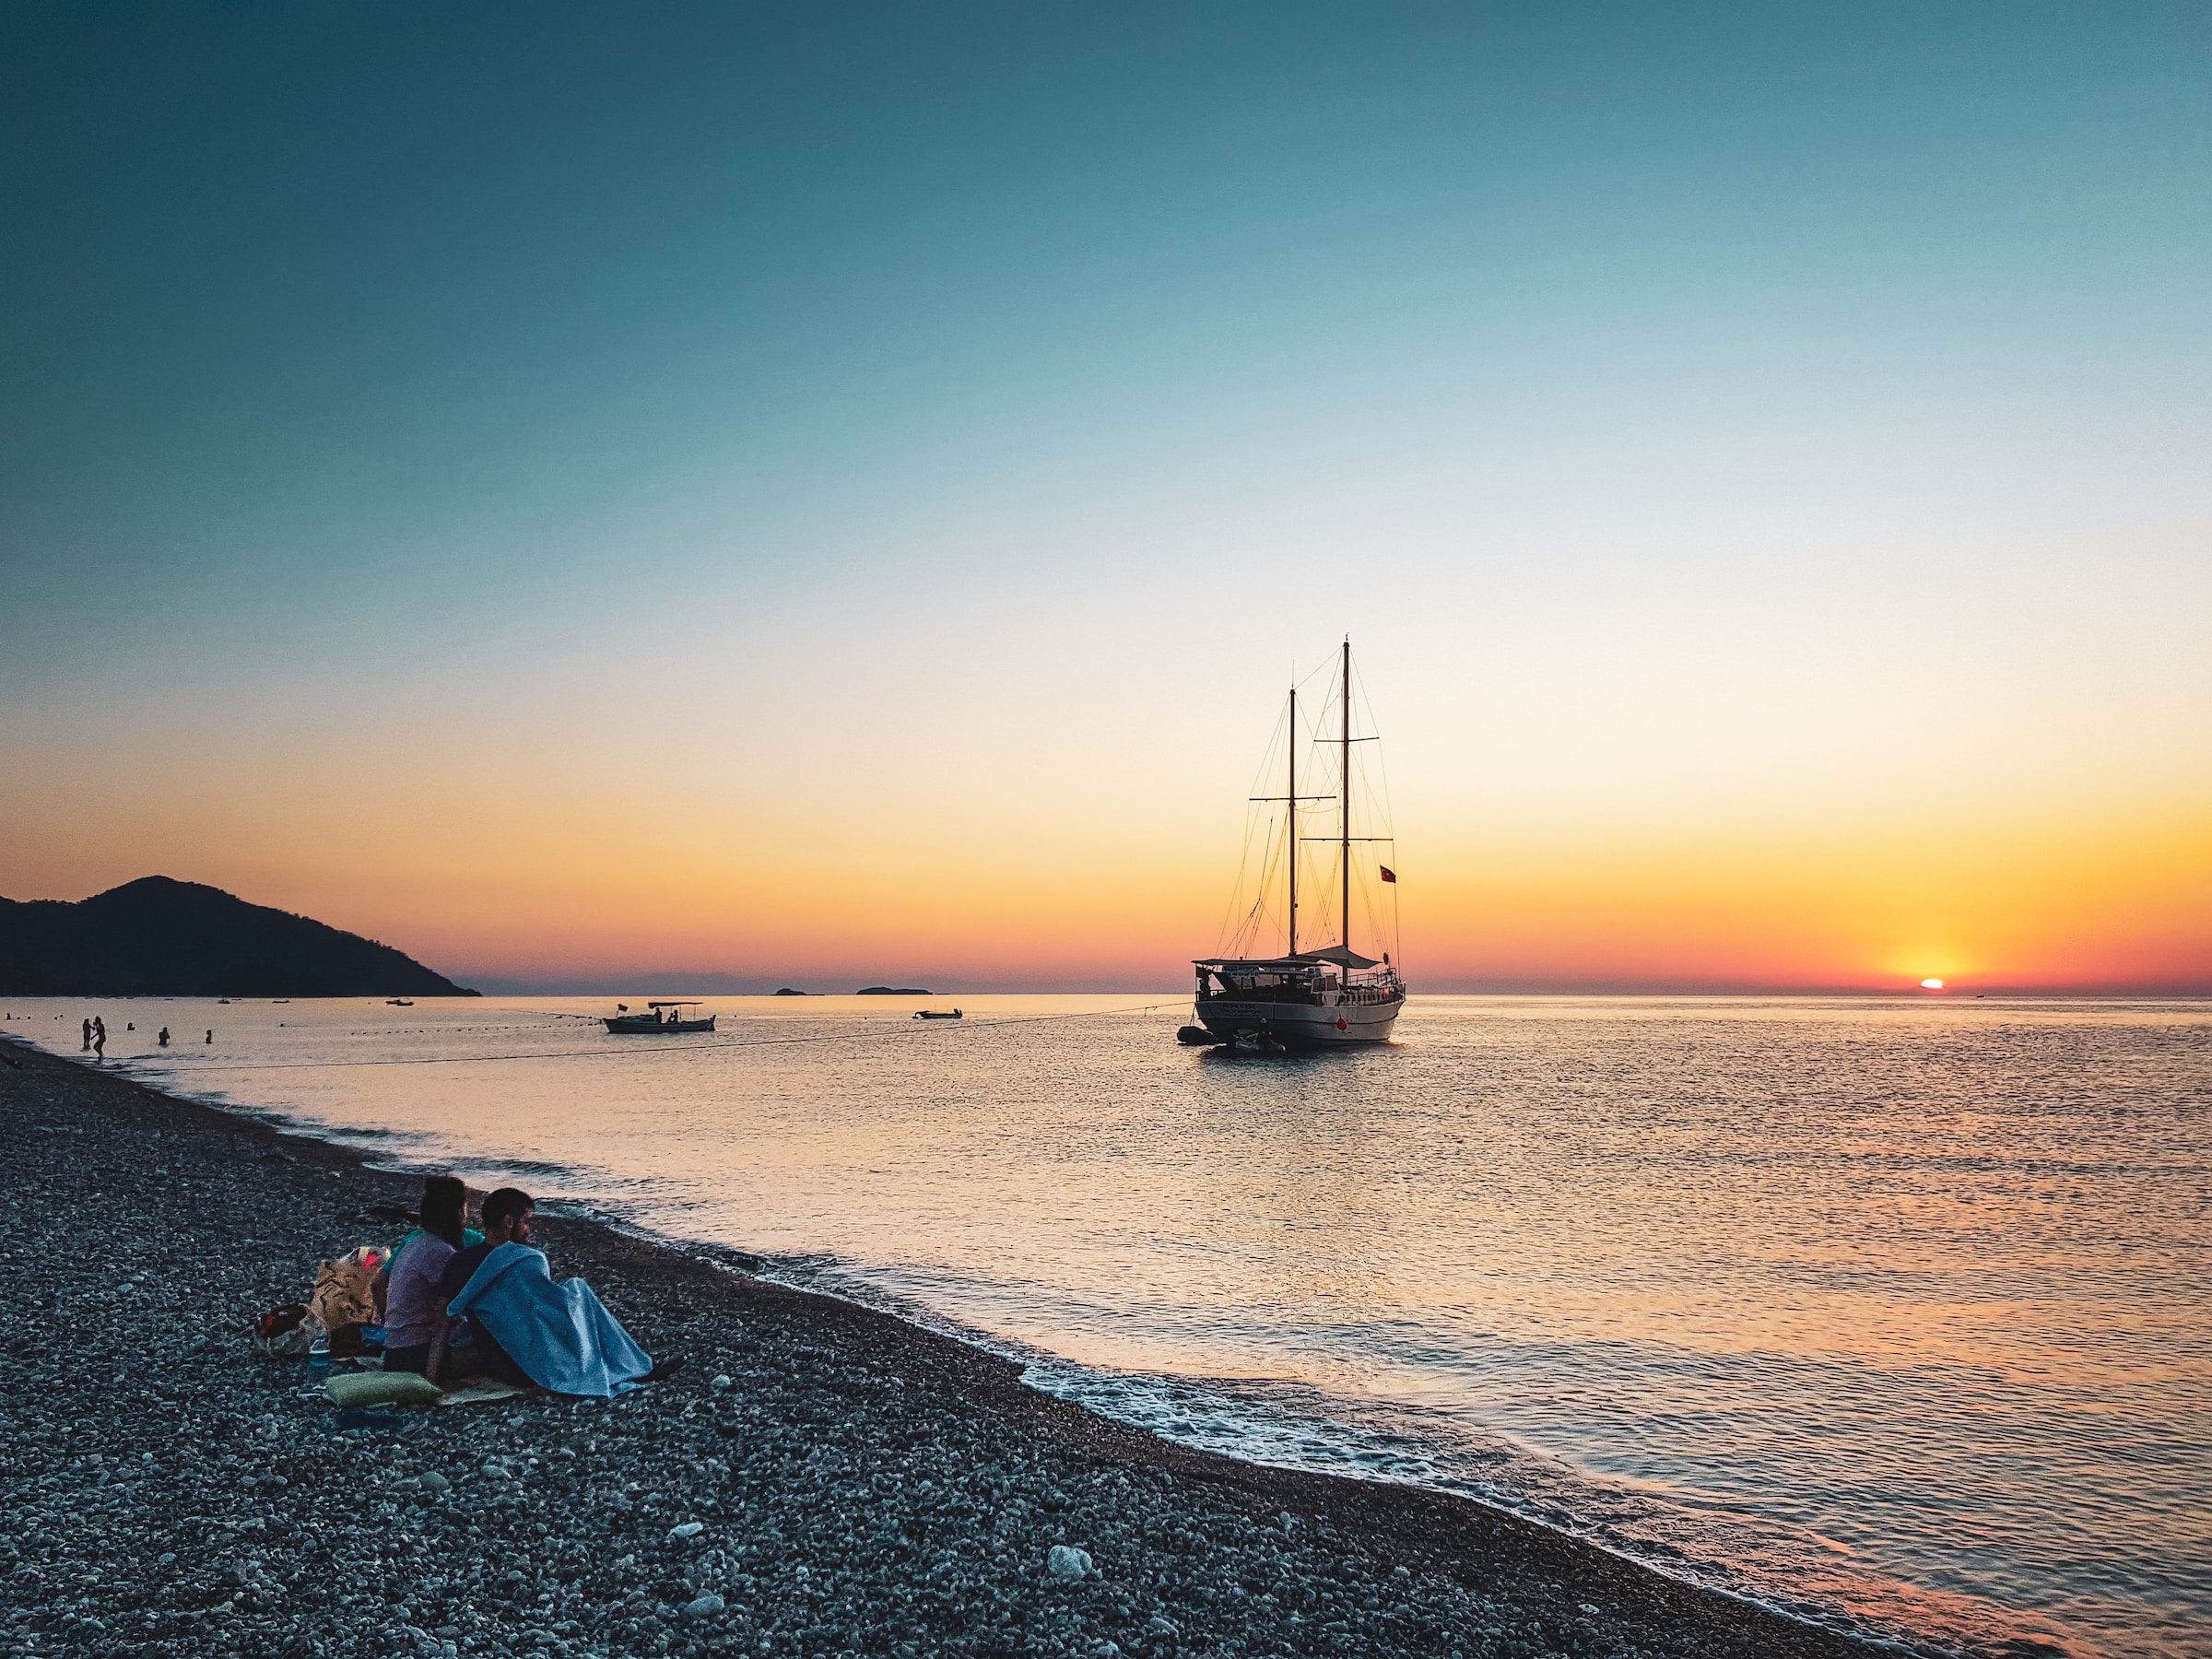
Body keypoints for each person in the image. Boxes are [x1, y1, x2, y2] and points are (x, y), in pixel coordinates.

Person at [440, 1188, 679, 1395]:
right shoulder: (525, 1260)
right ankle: (635, 1367)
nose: (528, 1230)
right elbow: (545, 1310)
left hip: (499, 1361)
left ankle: (630, 1368)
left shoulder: (461, 1262)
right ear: (508, 1222)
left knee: (568, 1301)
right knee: (579, 1293)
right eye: (526, 1221)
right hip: (526, 1363)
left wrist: (433, 1377)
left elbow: (443, 1319)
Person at [382, 1175, 483, 1380]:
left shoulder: (415, 1244)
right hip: (416, 1354)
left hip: (394, 1349)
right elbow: (451, 1312)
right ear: (458, 1212)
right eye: (465, 1207)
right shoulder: (441, 1253)